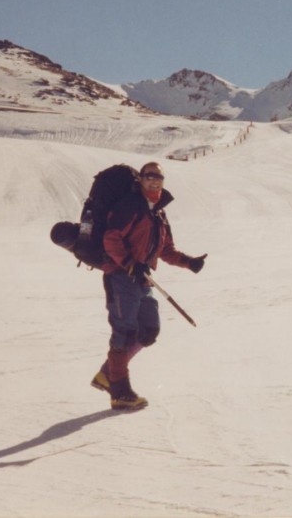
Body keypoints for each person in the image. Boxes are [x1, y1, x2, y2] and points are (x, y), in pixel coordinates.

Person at [91, 162, 207, 410]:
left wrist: (189, 262)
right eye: (149, 176)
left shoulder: (158, 213)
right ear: (141, 180)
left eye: (158, 177)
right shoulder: (130, 206)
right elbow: (111, 239)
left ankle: (107, 374)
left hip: (142, 280)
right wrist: (131, 263)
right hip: (121, 277)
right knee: (125, 333)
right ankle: (120, 392)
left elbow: (165, 250)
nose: (154, 181)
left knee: (149, 331)